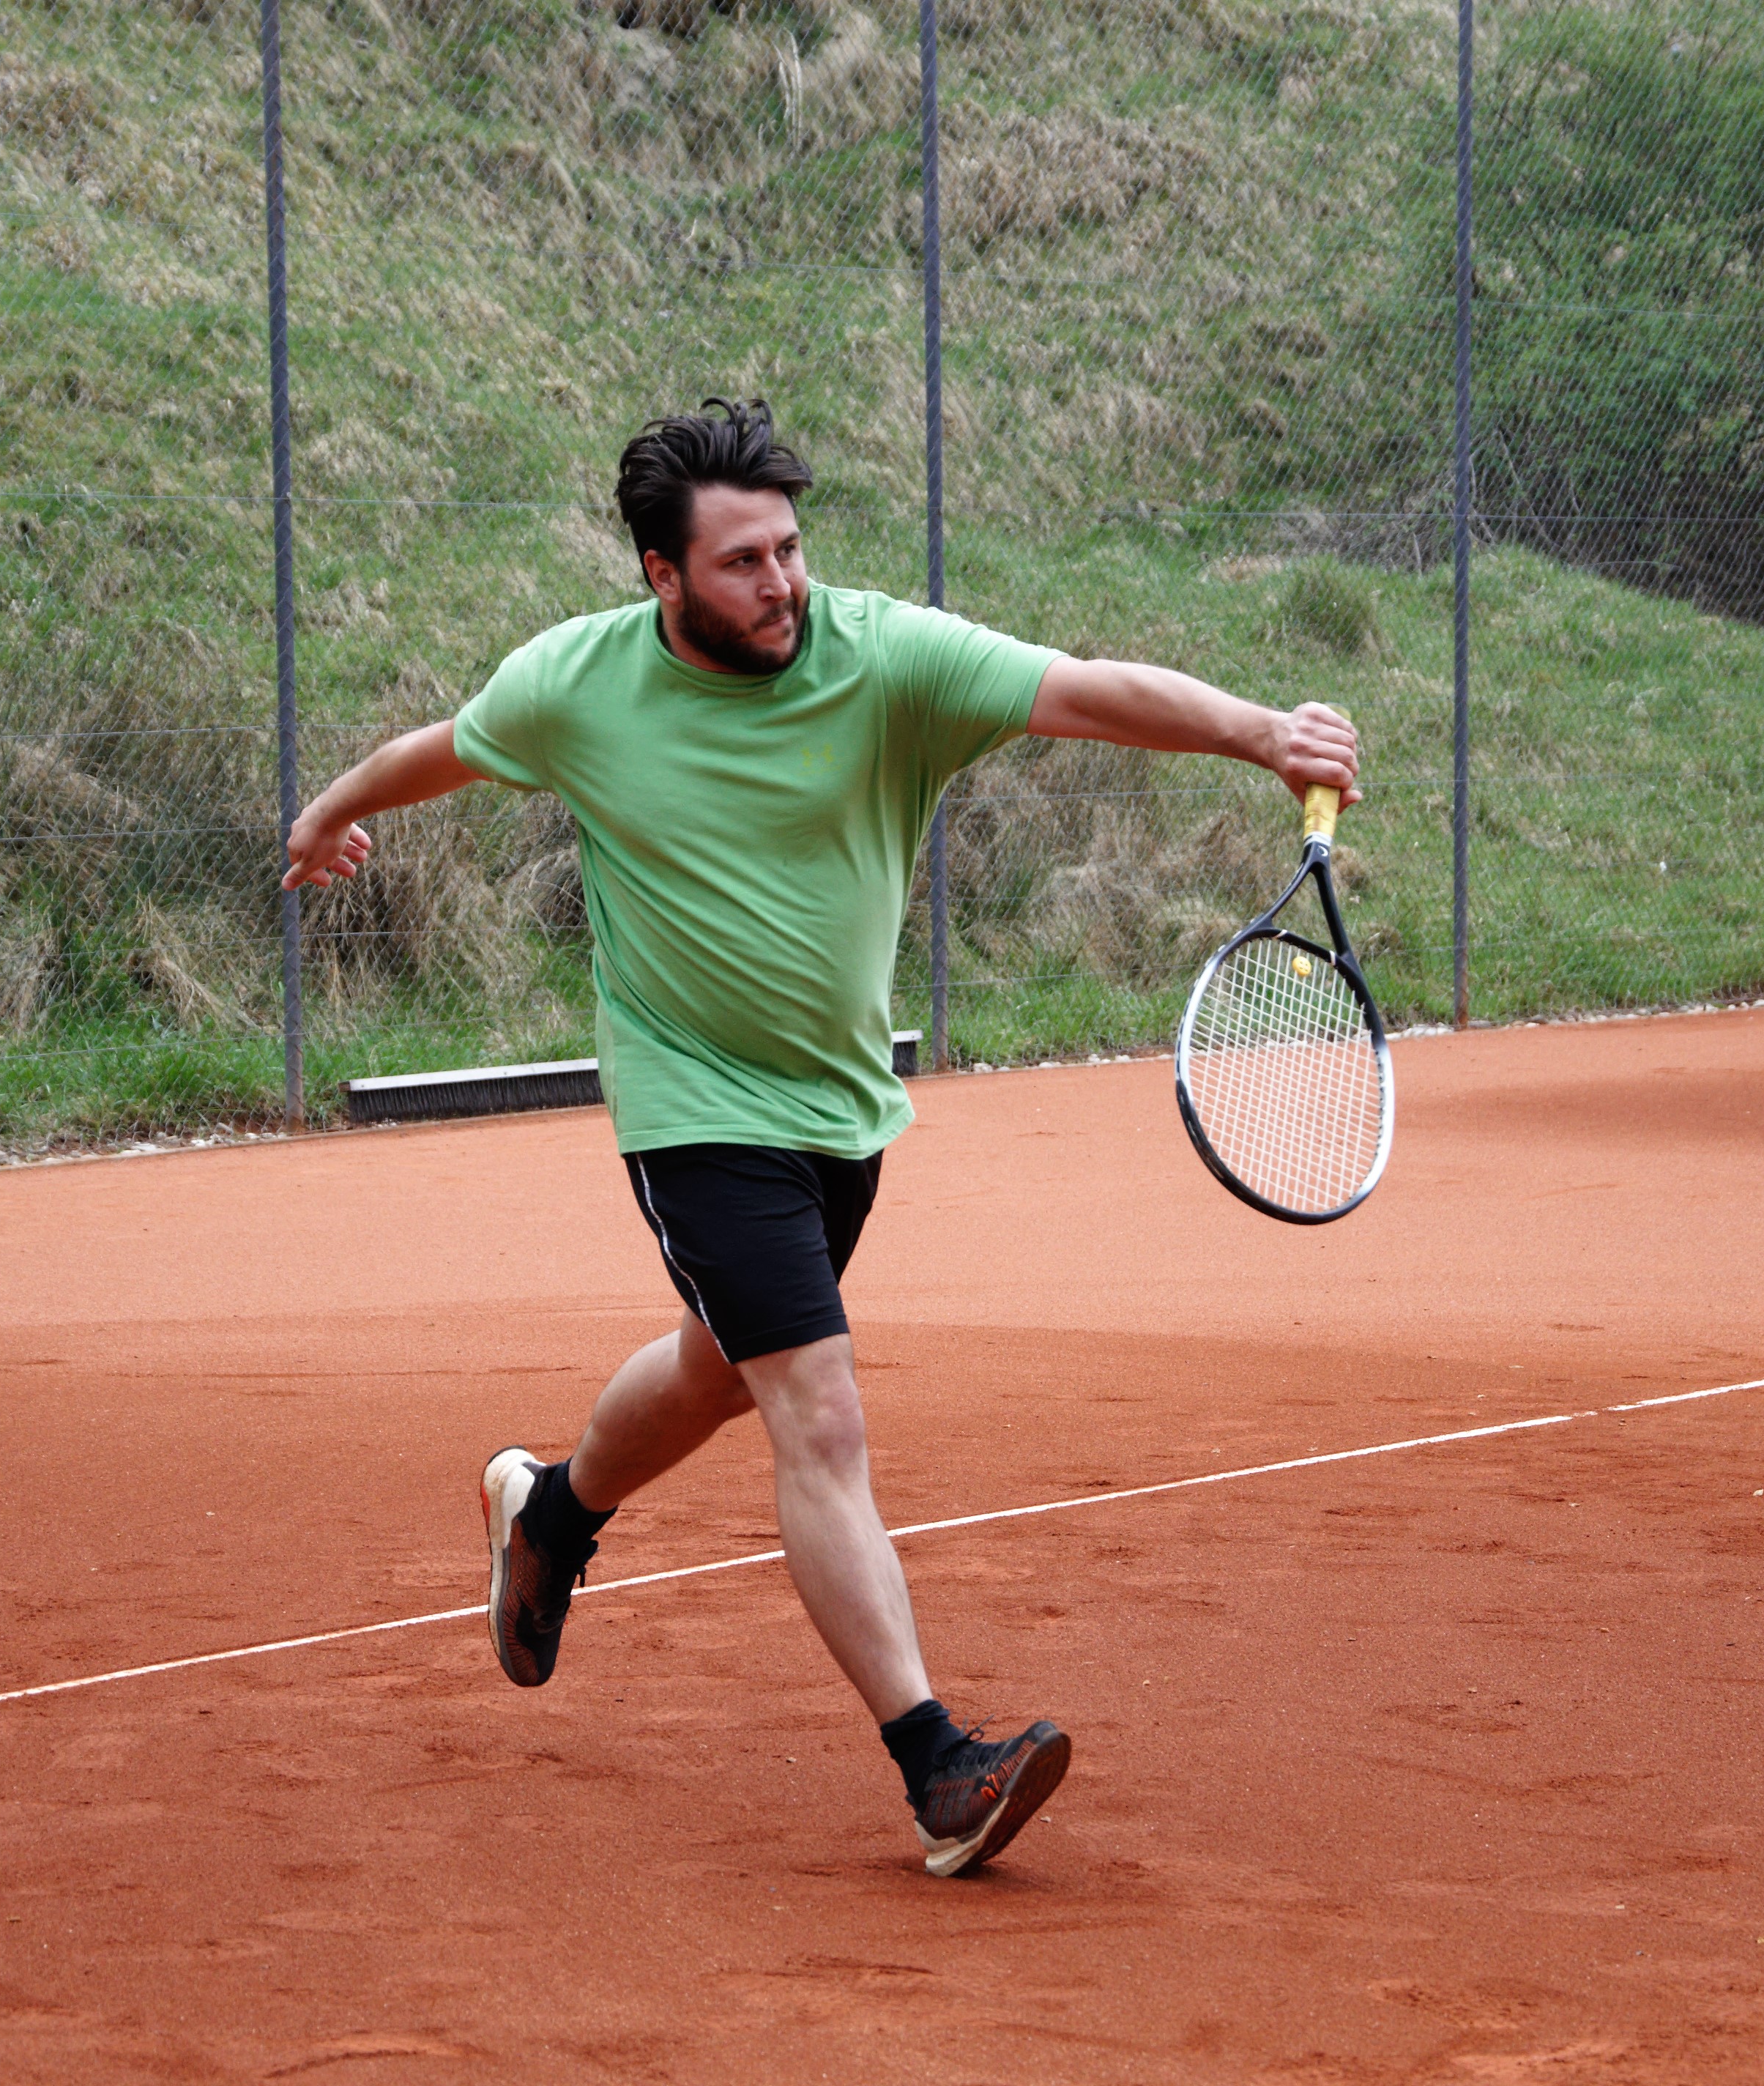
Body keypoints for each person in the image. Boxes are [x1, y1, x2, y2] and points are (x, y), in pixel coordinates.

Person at [283, 398, 1358, 1876]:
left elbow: (1087, 690)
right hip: (691, 1109)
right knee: (819, 1408)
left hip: (839, 1110)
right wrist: (330, 812)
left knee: (717, 1370)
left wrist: (1263, 734)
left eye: (788, 548)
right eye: (741, 562)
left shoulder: (883, 655)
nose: (780, 582)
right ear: (661, 575)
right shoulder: (577, 684)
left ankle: (552, 1511)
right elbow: (447, 747)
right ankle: (938, 1767)